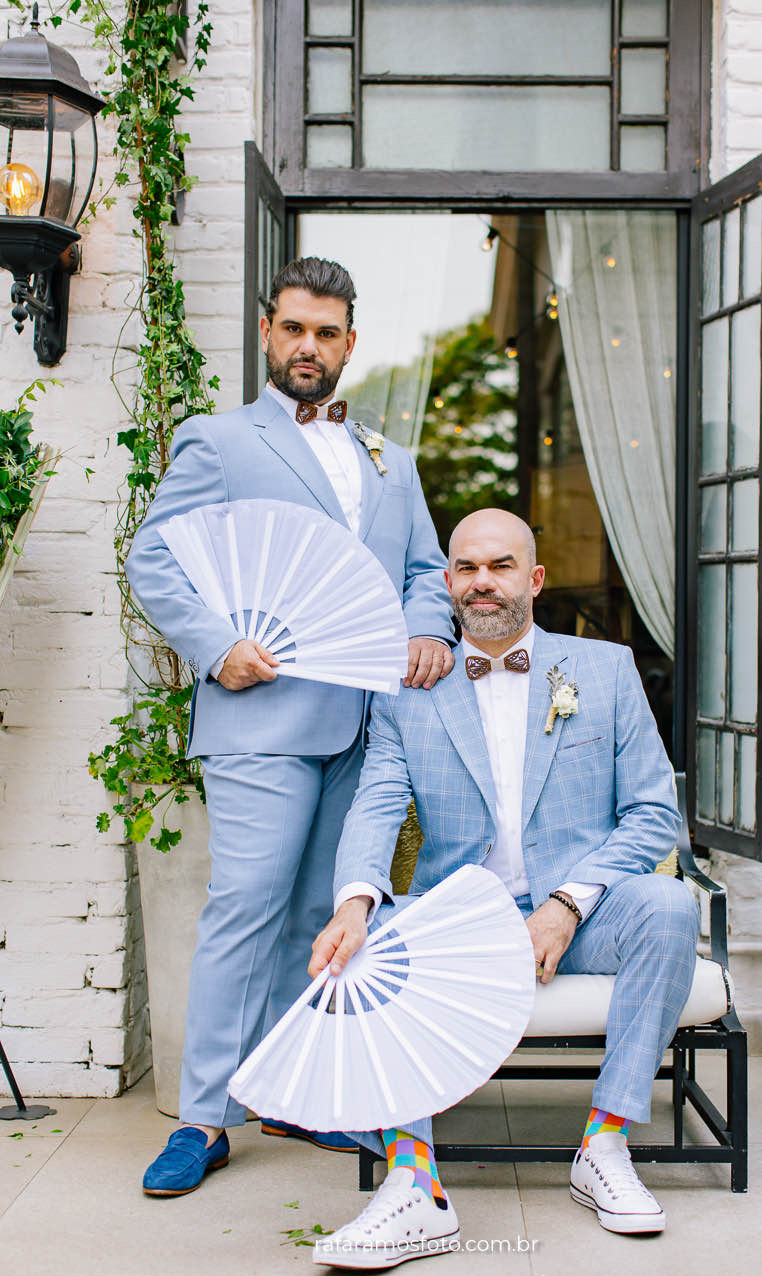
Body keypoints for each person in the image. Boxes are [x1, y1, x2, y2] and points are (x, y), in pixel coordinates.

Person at [126, 257, 455, 1197]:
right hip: (259, 716)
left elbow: (424, 570)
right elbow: (157, 559)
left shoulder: (390, 456)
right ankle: (203, 1118)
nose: (308, 346)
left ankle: (302, 1093)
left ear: (350, 344)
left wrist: (429, 626)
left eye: (327, 332)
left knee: (323, 917)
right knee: (246, 907)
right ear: (268, 334)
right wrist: (215, 642)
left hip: (362, 726)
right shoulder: (219, 441)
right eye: (294, 329)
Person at [309, 508, 699, 1268]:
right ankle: (414, 1185)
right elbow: (378, 801)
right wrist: (353, 901)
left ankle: (604, 1144)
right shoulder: (407, 689)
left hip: (585, 913)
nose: (481, 583)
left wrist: (565, 904)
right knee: (373, 937)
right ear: (447, 582)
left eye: (500, 566)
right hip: (464, 917)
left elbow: (654, 813)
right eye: (465, 568)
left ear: (534, 579)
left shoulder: (604, 670)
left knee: (668, 903)